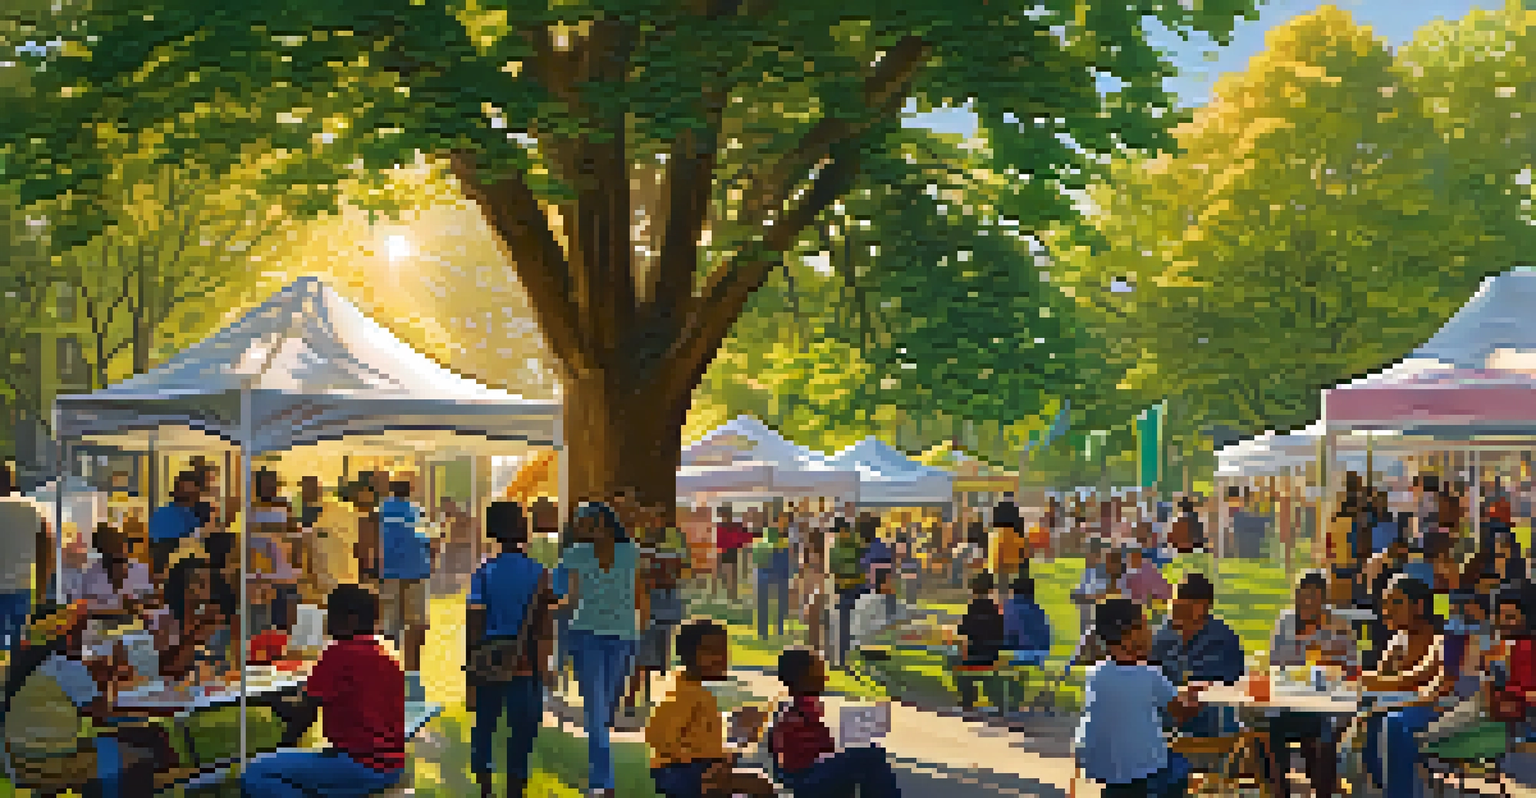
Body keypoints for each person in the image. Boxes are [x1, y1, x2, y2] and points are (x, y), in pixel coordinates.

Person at [241, 584, 406, 797]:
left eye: (331, 614)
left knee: (256, 772)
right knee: (291, 766)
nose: (327, 622)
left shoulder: (338, 653)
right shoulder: (386, 653)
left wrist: (279, 742)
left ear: (350, 619)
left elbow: (304, 714)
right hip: (392, 766)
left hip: (360, 766)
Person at [2, 601, 165, 797]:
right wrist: (112, 671)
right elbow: (102, 715)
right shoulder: (67, 667)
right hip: (48, 764)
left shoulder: (31, 665)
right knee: (139, 757)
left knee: (125, 741)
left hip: (19, 763)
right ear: (68, 636)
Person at [467, 501, 554, 798]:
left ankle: (485, 787)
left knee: (485, 726)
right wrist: (544, 669)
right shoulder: (540, 573)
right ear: (522, 530)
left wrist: (471, 669)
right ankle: (516, 788)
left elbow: (474, 622)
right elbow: (544, 627)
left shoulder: (484, 572)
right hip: (526, 660)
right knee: (522, 730)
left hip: (489, 659)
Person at [559, 501, 644, 798]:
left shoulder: (630, 551)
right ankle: (603, 782)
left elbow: (639, 595)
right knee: (595, 710)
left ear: (605, 523)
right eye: (579, 524)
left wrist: (640, 636)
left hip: (623, 636)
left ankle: (601, 770)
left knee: (607, 709)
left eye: (586, 522)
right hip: (586, 635)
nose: (581, 528)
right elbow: (569, 598)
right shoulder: (574, 555)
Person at [1074, 598, 1198, 798]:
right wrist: (1197, 698)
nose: (1151, 632)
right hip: (1142, 767)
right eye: (1144, 625)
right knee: (1180, 767)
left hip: (1102, 763)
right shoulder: (1150, 675)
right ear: (1128, 636)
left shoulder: (1095, 674)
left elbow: (1128, 696)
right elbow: (1180, 713)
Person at [647, 620, 776, 798]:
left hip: (696, 766)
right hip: (680, 771)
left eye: (724, 651)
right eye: (711, 651)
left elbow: (702, 740)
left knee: (756, 782)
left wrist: (724, 754)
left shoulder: (699, 692)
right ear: (687, 656)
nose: (721, 658)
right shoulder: (683, 694)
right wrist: (698, 759)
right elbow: (658, 736)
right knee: (758, 785)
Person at [1265, 570, 1357, 798]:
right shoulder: (1285, 623)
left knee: (1324, 735)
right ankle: (1279, 790)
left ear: (1324, 601)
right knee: (1268, 729)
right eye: (1302, 596)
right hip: (1289, 704)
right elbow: (1275, 665)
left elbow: (1352, 670)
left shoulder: (1338, 627)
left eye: (1314, 598)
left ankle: (1322, 790)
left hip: (1327, 705)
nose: (1307, 603)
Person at [1355, 575, 1449, 796]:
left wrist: (1363, 680)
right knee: (1359, 720)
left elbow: (1416, 678)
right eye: (1385, 604)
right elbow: (1381, 678)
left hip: (1432, 710)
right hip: (1397, 706)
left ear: (1418, 606)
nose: (1387, 611)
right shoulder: (1398, 639)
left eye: (1396, 603)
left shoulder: (1440, 639)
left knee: (1388, 723)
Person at [768, 647, 900, 797]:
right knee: (871, 755)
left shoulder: (800, 706)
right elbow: (800, 760)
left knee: (863, 761)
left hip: (807, 775)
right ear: (805, 677)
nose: (826, 678)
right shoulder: (794, 713)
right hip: (803, 780)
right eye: (819, 672)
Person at [1149, 572, 1245, 739]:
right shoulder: (1163, 636)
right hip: (1168, 715)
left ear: (1204, 607)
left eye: (1182, 606)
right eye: (1174, 605)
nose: (1174, 613)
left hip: (1211, 721)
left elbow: (1221, 687)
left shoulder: (1221, 639)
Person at [378, 478, 432, 702]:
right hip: (417, 572)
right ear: (410, 491)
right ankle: (413, 679)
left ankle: (387, 678)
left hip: (389, 573)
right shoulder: (418, 512)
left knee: (388, 629)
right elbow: (429, 541)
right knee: (415, 626)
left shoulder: (380, 511)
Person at [0, 462, 46, 654]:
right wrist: (42, 588)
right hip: (23, 585)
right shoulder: (32, 509)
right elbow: (46, 548)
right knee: (19, 647)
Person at [64, 523, 155, 616]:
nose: (118, 548)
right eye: (111, 544)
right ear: (101, 549)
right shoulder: (89, 574)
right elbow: (77, 606)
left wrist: (136, 606)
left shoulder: (140, 570)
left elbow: (152, 602)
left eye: (120, 542)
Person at [956, 571, 1007, 711]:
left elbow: (962, 631)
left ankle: (967, 699)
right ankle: (995, 699)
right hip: (992, 656)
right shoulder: (995, 610)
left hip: (974, 656)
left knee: (957, 659)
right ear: (991, 589)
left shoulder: (972, 608)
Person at [148, 471, 206, 576]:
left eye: (194, 496)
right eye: (187, 496)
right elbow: (160, 554)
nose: (191, 501)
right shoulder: (165, 515)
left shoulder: (193, 515)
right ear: (176, 493)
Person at [753, 523, 792, 639]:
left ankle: (776, 629)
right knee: (765, 603)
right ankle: (764, 631)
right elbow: (759, 559)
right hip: (767, 573)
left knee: (780, 604)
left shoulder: (786, 543)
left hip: (779, 574)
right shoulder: (766, 542)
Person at [851, 569, 907, 649]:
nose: (895, 584)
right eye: (892, 581)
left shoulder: (894, 602)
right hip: (866, 645)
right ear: (882, 584)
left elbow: (904, 617)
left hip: (885, 643)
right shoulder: (867, 602)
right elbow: (862, 629)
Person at [1001, 575, 1051, 658]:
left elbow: (1008, 635)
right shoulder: (1038, 609)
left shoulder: (1012, 607)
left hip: (1021, 654)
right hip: (1042, 654)